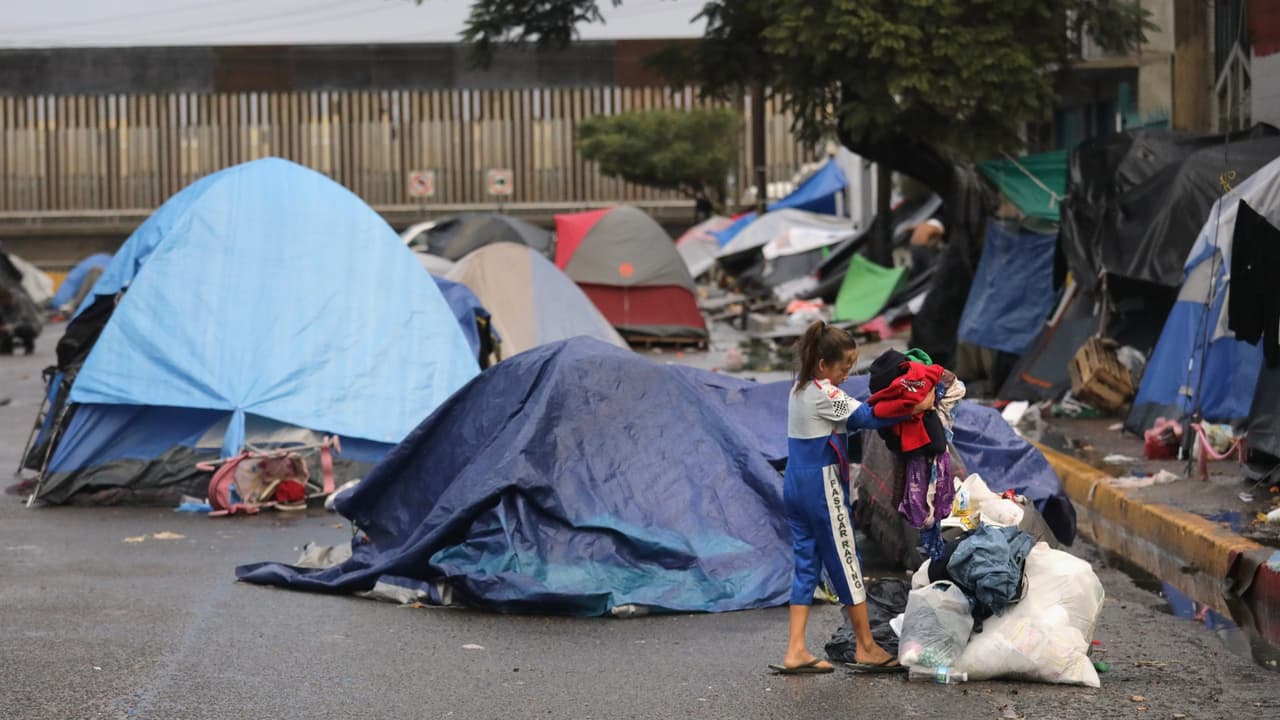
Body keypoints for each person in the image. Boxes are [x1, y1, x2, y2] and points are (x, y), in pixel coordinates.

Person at [768, 320, 933, 675]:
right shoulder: (826, 394)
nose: (848, 373)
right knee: (848, 561)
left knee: (807, 564)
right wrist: (914, 406)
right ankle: (866, 646)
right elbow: (868, 417)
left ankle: (795, 649)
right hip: (822, 486)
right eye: (844, 366)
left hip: (796, 484)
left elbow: (850, 421)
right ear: (824, 364)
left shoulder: (800, 391)